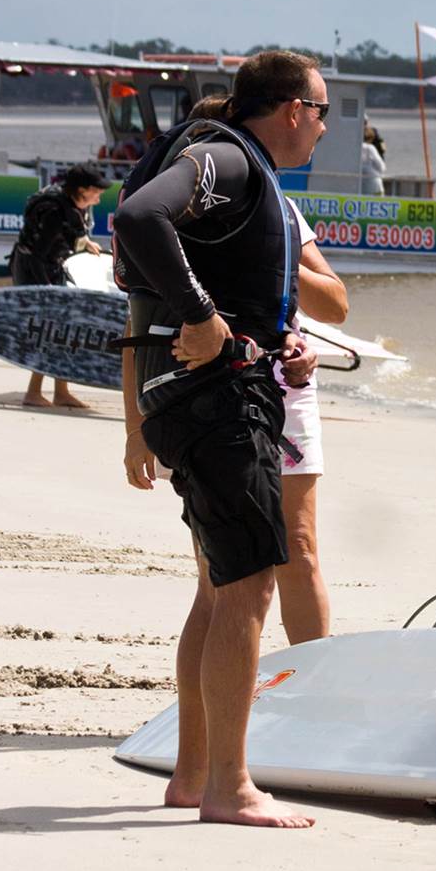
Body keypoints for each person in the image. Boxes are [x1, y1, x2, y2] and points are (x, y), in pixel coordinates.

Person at [110, 49, 329, 830]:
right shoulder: (230, 159)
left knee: (219, 586)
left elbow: (228, 283)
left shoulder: (240, 168)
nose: (324, 128)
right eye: (321, 111)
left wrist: (277, 344)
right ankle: (230, 787)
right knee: (249, 584)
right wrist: (202, 316)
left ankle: (193, 773)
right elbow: (137, 218)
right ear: (293, 108)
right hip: (215, 401)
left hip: (209, 390)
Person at [125, 93, 348, 649]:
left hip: (283, 390)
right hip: (211, 396)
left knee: (300, 549)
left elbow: (336, 305)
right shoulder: (174, 219)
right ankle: (218, 700)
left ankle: (308, 683)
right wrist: (134, 430)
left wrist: (276, 264)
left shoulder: (276, 206)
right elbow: (137, 331)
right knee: (218, 577)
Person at [9, 162, 109, 408]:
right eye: (96, 191)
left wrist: (85, 242)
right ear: (82, 190)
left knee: (66, 328)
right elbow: (37, 255)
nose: (99, 196)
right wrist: (48, 292)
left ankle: (61, 392)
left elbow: (71, 232)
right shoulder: (54, 211)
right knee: (49, 330)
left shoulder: (70, 204)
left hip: (52, 267)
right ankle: (33, 393)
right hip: (36, 272)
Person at [360, 122, 386, 195]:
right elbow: (382, 168)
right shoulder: (370, 148)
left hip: (357, 187)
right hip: (374, 186)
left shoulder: (351, 147)